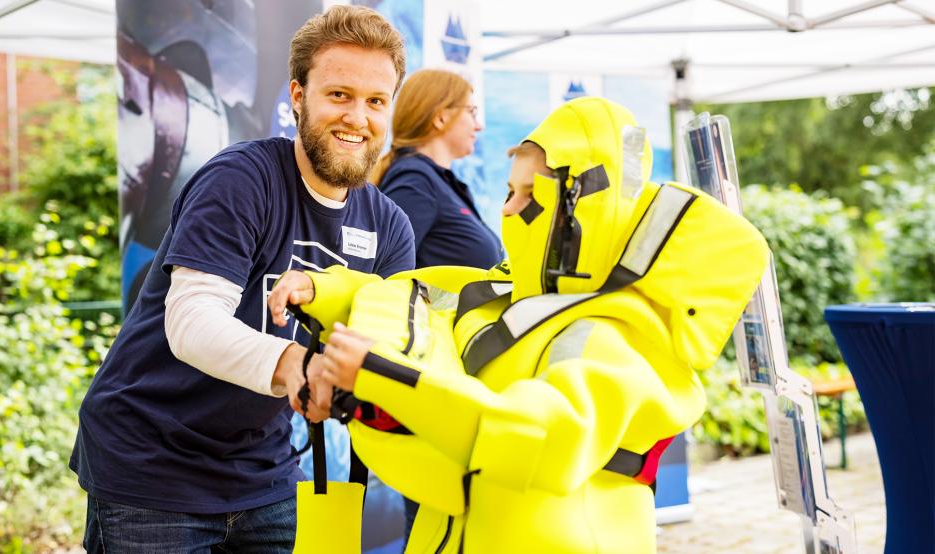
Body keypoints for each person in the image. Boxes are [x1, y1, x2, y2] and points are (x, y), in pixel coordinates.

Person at [271, 96, 770, 552]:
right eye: (509, 191)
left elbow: (542, 438)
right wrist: (326, 290)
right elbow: (428, 296)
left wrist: (383, 376)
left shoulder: (611, 338)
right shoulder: (517, 294)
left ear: (583, 207)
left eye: (529, 194)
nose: (507, 209)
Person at [69, 6, 414, 553]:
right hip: (152, 461)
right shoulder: (241, 180)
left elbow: (395, 342)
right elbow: (192, 323)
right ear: (298, 96)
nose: (358, 118)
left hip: (263, 467)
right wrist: (297, 365)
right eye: (339, 95)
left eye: (376, 101)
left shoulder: (389, 225)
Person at [370, 68, 502, 270]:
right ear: (440, 118)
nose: (478, 126)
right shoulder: (415, 181)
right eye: (471, 112)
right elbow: (383, 271)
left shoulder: (438, 182)